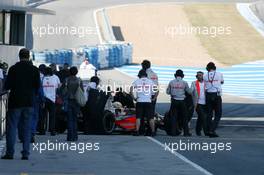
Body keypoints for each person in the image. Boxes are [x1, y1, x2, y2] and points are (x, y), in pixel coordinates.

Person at [1, 48, 40, 160]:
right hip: (29, 102)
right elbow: (37, 86)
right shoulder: (34, 70)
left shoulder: (13, 69)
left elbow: (7, 85)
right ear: (28, 57)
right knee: (27, 128)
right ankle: (25, 153)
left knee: (12, 127)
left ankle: (10, 153)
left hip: (15, 101)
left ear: (19, 56)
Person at [130, 69, 158, 137]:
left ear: (139, 75)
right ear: (146, 75)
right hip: (148, 101)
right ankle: (153, 132)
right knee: (151, 118)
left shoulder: (137, 81)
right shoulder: (150, 81)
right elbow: (157, 90)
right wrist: (153, 98)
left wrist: (133, 97)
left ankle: (137, 131)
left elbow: (131, 89)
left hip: (140, 101)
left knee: (138, 117)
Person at [166, 69, 192, 137]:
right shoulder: (184, 82)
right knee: (184, 117)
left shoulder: (171, 82)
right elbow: (189, 92)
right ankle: (186, 132)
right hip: (182, 101)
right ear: (182, 76)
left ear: (175, 75)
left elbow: (167, 92)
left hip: (174, 100)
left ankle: (173, 132)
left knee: (173, 117)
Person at [62, 66, 84, 141]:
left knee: (69, 119)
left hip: (68, 100)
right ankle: (75, 136)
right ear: (76, 72)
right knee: (75, 119)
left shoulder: (66, 80)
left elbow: (62, 91)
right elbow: (82, 91)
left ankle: (70, 136)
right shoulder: (79, 80)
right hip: (76, 101)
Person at [203, 62, 224, 138]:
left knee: (209, 114)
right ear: (215, 68)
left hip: (208, 95)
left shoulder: (205, 75)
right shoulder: (219, 74)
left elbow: (204, 84)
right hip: (216, 95)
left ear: (207, 68)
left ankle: (209, 130)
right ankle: (212, 130)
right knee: (218, 114)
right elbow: (222, 82)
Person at [41, 67, 61, 136]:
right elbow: (59, 86)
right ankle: (52, 131)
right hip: (52, 99)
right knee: (52, 116)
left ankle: (42, 130)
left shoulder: (42, 78)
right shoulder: (55, 78)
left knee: (43, 116)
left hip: (44, 99)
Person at [191, 71, 208, 136]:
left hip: (205, 103)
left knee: (201, 117)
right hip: (197, 103)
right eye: (198, 75)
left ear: (203, 76)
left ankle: (198, 131)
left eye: (200, 75)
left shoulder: (206, 83)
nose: (199, 76)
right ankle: (206, 132)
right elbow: (191, 91)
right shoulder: (194, 83)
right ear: (196, 76)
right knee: (203, 117)